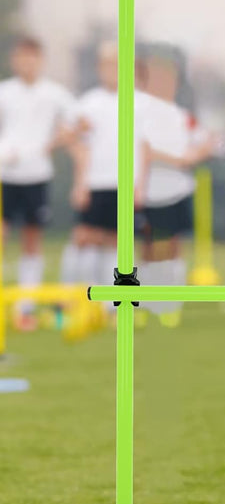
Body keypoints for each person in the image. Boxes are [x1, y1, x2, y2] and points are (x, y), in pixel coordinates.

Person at [135, 55, 218, 327]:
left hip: (177, 189)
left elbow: (207, 141)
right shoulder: (139, 112)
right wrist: (175, 158)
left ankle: (170, 304)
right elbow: (143, 150)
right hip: (148, 191)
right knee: (148, 248)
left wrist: (193, 155)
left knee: (172, 245)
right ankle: (144, 301)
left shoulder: (182, 116)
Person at [0, 35, 75, 330]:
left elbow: (79, 124)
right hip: (6, 174)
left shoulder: (54, 94)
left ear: (40, 61)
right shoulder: (5, 91)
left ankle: (26, 307)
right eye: (20, 57)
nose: (26, 63)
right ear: (13, 60)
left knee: (32, 241)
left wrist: (53, 142)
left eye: (31, 57)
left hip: (37, 175)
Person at [59, 41, 120, 307]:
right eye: (108, 65)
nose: (113, 70)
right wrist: (80, 180)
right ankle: (66, 299)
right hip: (94, 182)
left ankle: (109, 305)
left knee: (114, 242)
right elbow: (66, 136)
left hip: (123, 182)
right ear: (99, 68)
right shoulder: (89, 103)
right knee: (83, 238)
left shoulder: (137, 103)